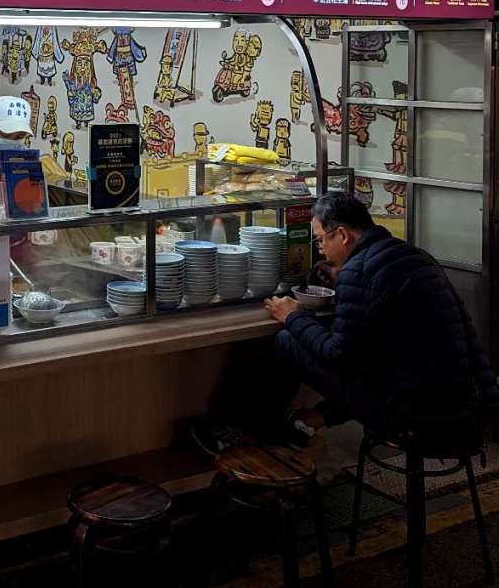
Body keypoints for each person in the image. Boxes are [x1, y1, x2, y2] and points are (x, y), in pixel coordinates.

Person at [198, 192, 499, 454]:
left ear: (342, 235)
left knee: (288, 341)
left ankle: (251, 434)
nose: (320, 250)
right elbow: (465, 336)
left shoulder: (359, 271)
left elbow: (338, 355)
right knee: (368, 355)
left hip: (409, 416)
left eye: (320, 239)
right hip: (461, 410)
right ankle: (299, 425)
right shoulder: (415, 255)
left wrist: (293, 315)